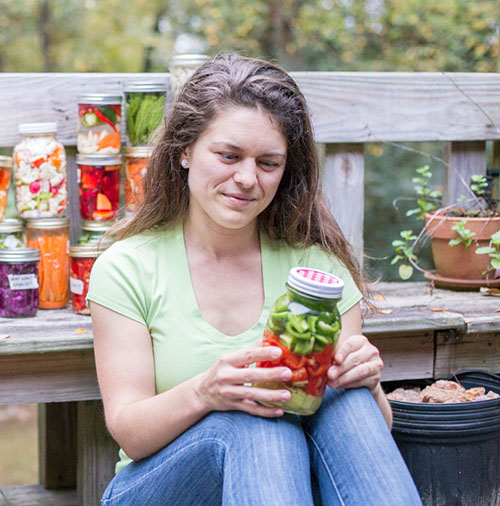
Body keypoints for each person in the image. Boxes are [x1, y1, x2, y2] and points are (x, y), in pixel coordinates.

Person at [86, 53, 421, 505]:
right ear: (185, 150)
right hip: (158, 487)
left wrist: (369, 384)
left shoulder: (317, 274)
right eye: (228, 155)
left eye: (268, 163)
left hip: (283, 488)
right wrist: (207, 392)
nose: (246, 178)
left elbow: (359, 448)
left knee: (346, 402)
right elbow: (130, 430)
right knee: (256, 423)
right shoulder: (128, 267)